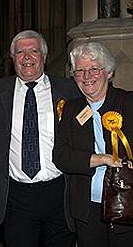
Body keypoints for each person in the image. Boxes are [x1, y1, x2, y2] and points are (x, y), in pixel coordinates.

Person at [0, 30, 78, 247]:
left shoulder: (69, 90)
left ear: (44, 57)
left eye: (33, 51)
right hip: (17, 196)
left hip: (61, 192)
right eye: (20, 52)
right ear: (13, 59)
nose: (26, 57)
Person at [53, 42, 133, 246]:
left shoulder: (127, 102)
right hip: (87, 209)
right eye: (80, 70)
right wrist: (100, 159)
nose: (87, 76)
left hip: (127, 203)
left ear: (109, 72)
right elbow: (61, 156)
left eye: (94, 69)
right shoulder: (71, 110)